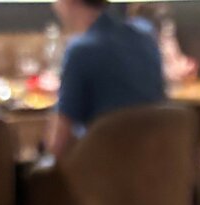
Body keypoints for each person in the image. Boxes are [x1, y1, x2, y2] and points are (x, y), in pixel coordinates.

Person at [48, 0, 165, 159]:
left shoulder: (80, 50)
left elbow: (57, 144)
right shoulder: (146, 36)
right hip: (156, 165)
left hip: (103, 167)